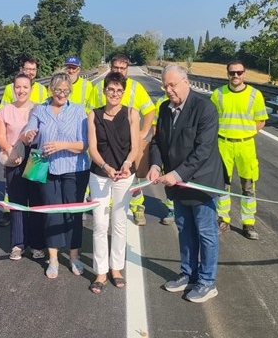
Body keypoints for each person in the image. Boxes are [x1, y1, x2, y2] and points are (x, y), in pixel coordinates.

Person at [147, 64, 224, 303]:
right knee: (185, 230)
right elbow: (157, 142)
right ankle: (187, 274)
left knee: (205, 233)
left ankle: (207, 282)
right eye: (165, 85)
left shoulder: (205, 108)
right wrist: (156, 165)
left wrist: (177, 174)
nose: (169, 90)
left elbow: (203, 151)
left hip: (201, 183)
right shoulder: (165, 108)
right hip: (177, 184)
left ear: (186, 82)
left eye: (173, 85)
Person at [22, 72, 90, 279]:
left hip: (74, 169)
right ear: (51, 89)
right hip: (47, 169)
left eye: (66, 90)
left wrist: (63, 145)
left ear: (70, 91)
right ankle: (52, 259)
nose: (62, 94)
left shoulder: (79, 111)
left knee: (72, 214)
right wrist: (28, 135)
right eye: (58, 90)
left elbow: (84, 144)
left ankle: (74, 256)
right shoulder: (40, 110)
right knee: (51, 213)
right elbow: (28, 133)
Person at [87, 72, 140, 293]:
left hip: (124, 175)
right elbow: (92, 148)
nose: (115, 94)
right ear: (104, 90)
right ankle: (100, 271)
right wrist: (106, 168)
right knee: (100, 223)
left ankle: (116, 268)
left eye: (119, 90)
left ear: (123, 92)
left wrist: (127, 164)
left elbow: (135, 147)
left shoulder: (131, 114)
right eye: (111, 89)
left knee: (119, 222)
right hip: (100, 174)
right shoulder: (93, 115)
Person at [91, 54, 155, 226]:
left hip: (128, 143)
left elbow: (149, 110)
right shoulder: (99, 87)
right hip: (106, 143)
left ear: (127, 68)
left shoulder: (135, 87)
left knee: (132, 178)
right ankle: (110, 208)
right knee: (108, 176)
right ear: (110, 68)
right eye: (116, 68)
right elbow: (89, 113)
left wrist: (142, 133)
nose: (119, 71)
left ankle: (137, 208)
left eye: (123, 68)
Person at [211, 60, 268, 240]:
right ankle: (223, 219)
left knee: (248, 186)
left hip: (245, 145)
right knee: (222, 185)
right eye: (232, 73)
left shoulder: (254, 95)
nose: (235, 76)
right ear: (227, 74)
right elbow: (210, 119)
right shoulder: (218, 94)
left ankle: (248, 223)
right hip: (223, 144)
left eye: (239, 72)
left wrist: (247, 132)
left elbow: (261, 120)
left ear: (245, 73)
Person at [0, 73, 46, 261]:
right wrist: (10, 150)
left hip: (35, 159)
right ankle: (18, 244)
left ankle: (38, 244)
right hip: (13, 159)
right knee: (17, 203)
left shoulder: (40, 109)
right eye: (18, 87)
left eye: (25, 87)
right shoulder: (5, 111)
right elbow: (0, 136)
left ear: (31, 89)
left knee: (37, 202)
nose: (21, 90)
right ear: (13, 89)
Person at [0, 55, 50, 227]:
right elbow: (3, 120)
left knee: (36, 198)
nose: (30, 72)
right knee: (16, 197)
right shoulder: (8, 91)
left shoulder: (43, 90)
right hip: (15, 151)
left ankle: (36, 243)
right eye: (27, 69)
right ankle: (18, 240)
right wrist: (8, 148)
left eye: (33, 69)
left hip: (35, 154)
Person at [152, 94, 176, 225]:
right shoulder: (162, 102)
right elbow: (156, 124)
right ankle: (171, 209)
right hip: (167, 147)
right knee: (169, 182)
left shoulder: (196, 103)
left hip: (183, 149)